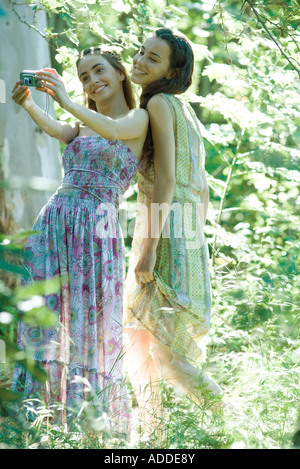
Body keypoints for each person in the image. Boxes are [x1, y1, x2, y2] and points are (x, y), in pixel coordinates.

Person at [11, 46, 149, 434]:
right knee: (44, 315)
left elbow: (115, 131)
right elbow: (58, 130)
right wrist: (30, 105)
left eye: (99, 70)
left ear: (121, 74)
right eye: (84, 76)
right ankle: (39, 418)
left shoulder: (136, 119)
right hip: (54, 223)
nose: (92, 81)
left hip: (96, 230)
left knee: (94, 321)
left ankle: (93, 422)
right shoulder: (84, 123)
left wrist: (66, 100)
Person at [123, 29, 222, 434]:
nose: (141, 61)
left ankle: (234, 425)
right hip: (180, 230)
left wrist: (149, 249)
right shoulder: (184, 111)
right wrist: (192, 239)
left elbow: (165, 180)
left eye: (154, 58)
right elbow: (201, 186)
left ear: (172, 71)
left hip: (163, 230)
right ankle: (153, 436)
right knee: (138, 342)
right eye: (141, 52)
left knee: (167, 356)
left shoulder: (161, 103)